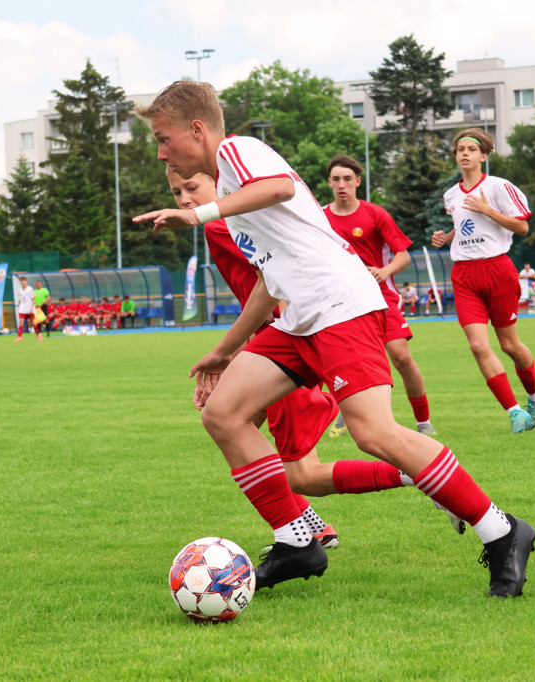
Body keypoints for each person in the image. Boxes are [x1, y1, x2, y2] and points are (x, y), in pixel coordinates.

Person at [133, 81, 535, 597]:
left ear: (196, 129)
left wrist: (200, 212)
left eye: (164, 138)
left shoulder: (237, 151)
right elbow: (267, 283)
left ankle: (502, 531)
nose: (161, 152)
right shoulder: (231, 194)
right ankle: (296, 540)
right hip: (300, 319)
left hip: (340, 308)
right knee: (224, 413)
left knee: (374, 433)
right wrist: (224, 351)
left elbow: (278, 187)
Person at [168, 167, 465, 546]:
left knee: (297, 471)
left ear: (220, 182)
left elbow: (274, 291)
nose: (185, 200)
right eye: (177, 193)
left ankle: (419, 477)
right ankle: (311, 528)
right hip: (281, 344)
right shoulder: (229, 224)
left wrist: (232, 352)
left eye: (192, 187)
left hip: (285, 350)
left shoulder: (222, 225)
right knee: (238, 434)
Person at [432, 128, 535, 435]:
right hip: (464, 276)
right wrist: (447, 236)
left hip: (498, 270)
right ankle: (514, 412)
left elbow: (521, 227)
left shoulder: (498, 187)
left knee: (509, 345)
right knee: (478, 346)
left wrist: (487, 209)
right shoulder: (451, 195)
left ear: (484, 156)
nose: (464, 153)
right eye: (460, 149)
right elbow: (465, 224)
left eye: (471, 149)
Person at [323, 154, 436, 435]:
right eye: (336, 179)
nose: (341, 185)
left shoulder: (375, 214)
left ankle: (423, 422)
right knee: (338, 361)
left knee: (401, 357)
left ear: (358, 182)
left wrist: (385, 272)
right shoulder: (320, 218)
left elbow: (403, 255)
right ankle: (345, 414)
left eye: (347, 179)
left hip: (380, 297)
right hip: (340, 301)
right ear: (329, 183)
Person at [14, 276, 41, 341]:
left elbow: (33, 299)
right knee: (21, 322)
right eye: (21, 281)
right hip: (22, 308)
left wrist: (32, 308)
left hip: (29, 308)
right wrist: (19, 309)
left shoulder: (30, 289)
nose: (23, 282)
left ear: (26, 281)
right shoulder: (19, 290)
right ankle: (19, 337)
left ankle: (38, 334)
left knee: (33, 322)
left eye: (24, 281)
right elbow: (19, 300)